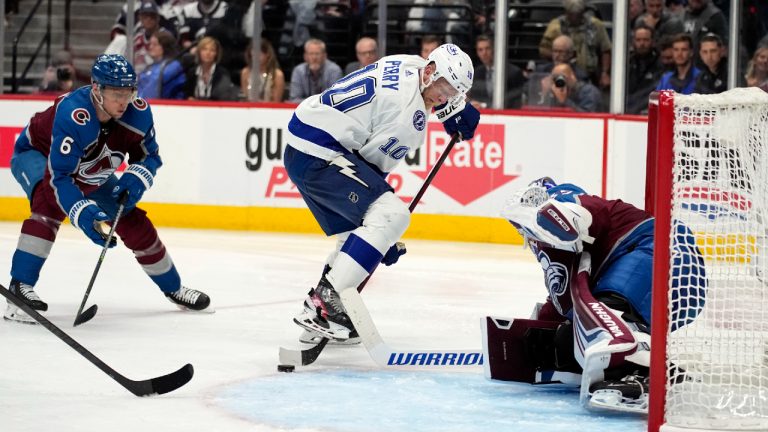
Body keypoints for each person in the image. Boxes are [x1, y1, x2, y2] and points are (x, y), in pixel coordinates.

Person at [284, 43, 480, 344]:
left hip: (305, 142)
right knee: (390, 215)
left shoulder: (410, 63)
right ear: (430, 72)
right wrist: (381, 239)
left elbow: (428, 88)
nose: (444, 96)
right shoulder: (408, 120)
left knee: (355, 235)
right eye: (443, 87)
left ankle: (325, 316)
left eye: (452, 92)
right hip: (321, 154)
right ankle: (325, 304)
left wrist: (456, 108)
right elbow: (371, 169)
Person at [4, 54, 211, 324]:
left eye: (129, 92)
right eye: (116, 93)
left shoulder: (137, 113)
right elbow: (61, 178)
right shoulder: (73, 115)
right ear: (96, 89)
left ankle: (173, 287)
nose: (124, 101)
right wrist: (84, 213)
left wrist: (136, 178)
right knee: (48, 205)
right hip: (38, 156)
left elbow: (150, 157)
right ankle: (19, 289)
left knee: (130, 218)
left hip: (90, 169)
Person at [495, 178, 706, 412]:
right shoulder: (569, 247)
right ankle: (654, 367)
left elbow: (576, 213)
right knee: (575, 333)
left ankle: (638, 369)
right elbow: (565, 300)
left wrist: (548, 214)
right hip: (678, 288)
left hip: (663, 251)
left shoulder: (565, 200)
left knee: (609, 314)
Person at [538, 0, 613, 88]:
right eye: (571, 14)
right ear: (566, 11)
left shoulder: (596, 25)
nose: (574, 18)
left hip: (590, 76)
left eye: (577, 14)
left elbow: (605, 50)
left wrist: (605, 73)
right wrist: (559, 54)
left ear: (583, 11)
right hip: (562, 75)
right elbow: (543, 49)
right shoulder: (555, 26)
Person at [468, 34, 525, 109]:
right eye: (480, 50)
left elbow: (514, 99)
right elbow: (475, 96)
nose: (484, 53)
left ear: (494, 49)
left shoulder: (513, 72)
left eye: (487, 48)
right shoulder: (476, 73)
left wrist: (485, 105)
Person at [183, 36, 238, 101]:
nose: (208, 53)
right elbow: (187, 94)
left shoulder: (222, 73)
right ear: (199, 52)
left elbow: (222, 97)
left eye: (212, 50)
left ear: (216, 54)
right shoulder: (192, 72)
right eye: (204, 49)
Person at [288, 38, 343, 103]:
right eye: (311, 54)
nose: (314, 57)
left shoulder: (334, 70)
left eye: (317, 54)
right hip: (305, 111)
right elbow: (294, 99)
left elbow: (335, 99)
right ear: (305, 56)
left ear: (324, 56)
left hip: (326, 111)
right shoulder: (298, 71)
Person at [137, 32, 186, 100]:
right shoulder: (149, 67)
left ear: (165, 46)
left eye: (155, 44)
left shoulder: (173, 66)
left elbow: (152, 90)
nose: (151, 47)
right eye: (150, 44)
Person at [626, 25, 662, 114]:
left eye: (646, 40)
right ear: (633, 41)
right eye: (638, 40)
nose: (642, 43)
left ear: (653, 41)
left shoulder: (660, 63)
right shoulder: (627, 62)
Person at [537, 63, 602, 112]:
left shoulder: (589, 91)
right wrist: (545, 94)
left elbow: (587, 118)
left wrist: (564, 101)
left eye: (562, 77)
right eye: (555, 78)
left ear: (572, 76)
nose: (559, 81)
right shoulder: (556, 91)